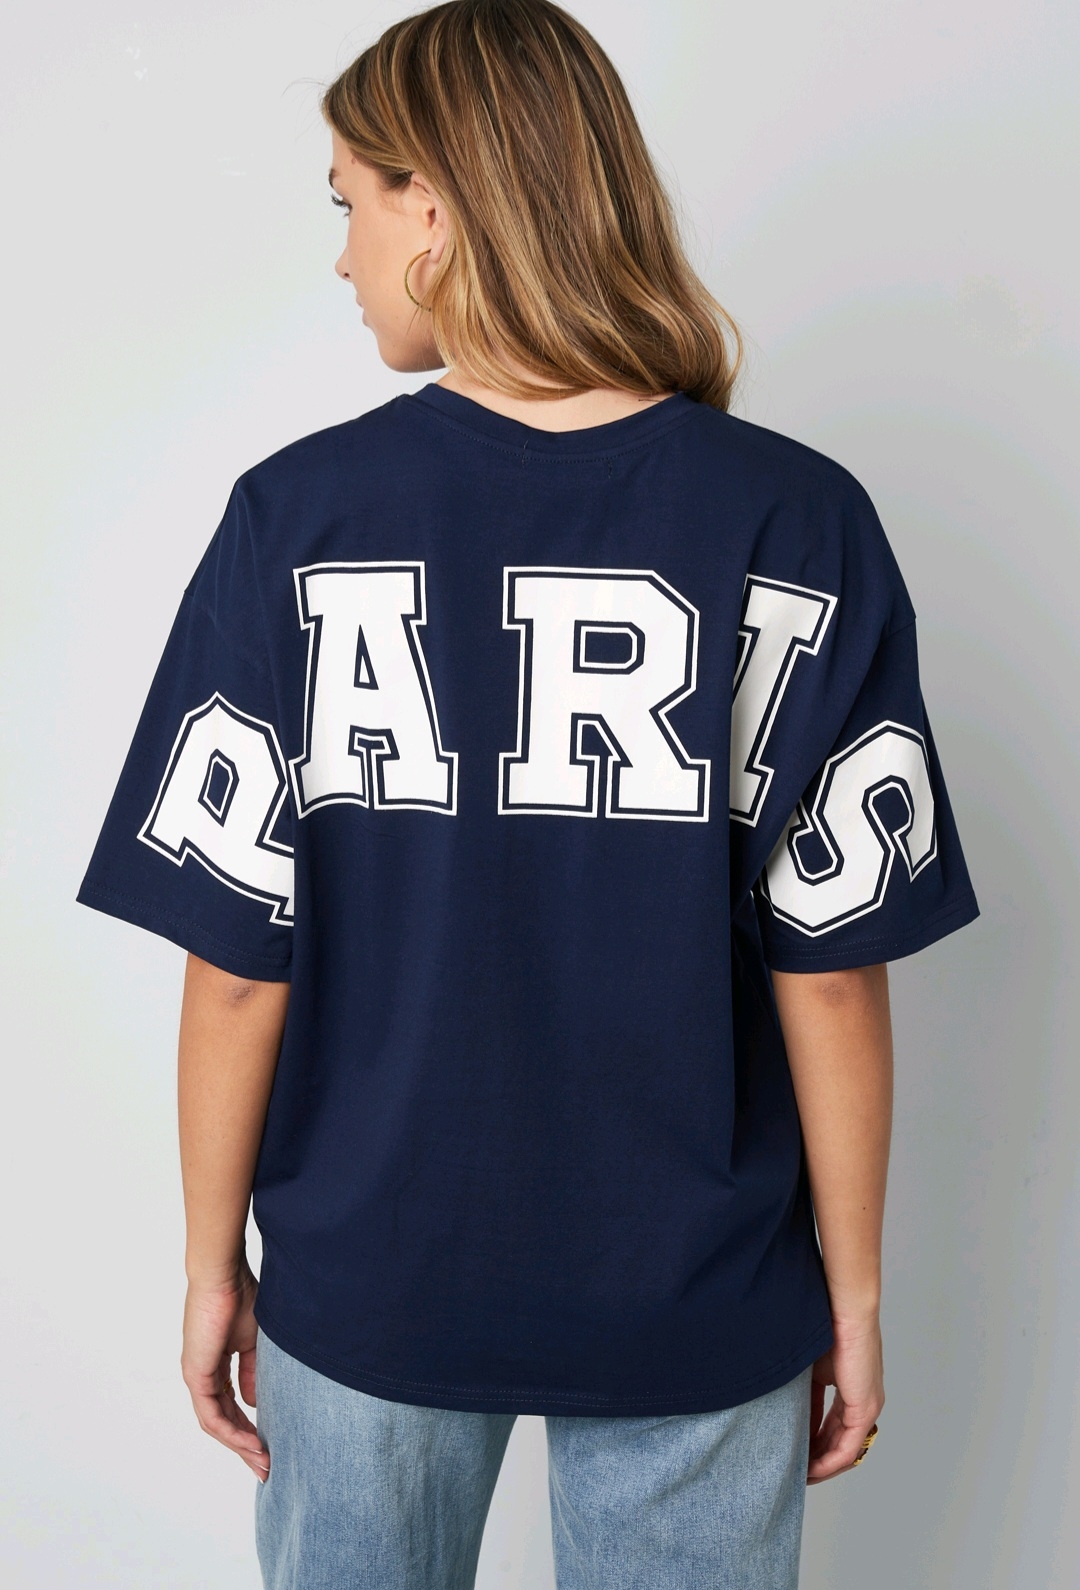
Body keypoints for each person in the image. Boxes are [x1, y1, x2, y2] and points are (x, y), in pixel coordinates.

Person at [76, 1, 980, 1585]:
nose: (342, 254)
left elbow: (236, 969)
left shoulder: (298, 519)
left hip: (369, 1275)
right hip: (699, 1290)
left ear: (434, 207)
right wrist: (853, 1292)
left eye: (351, 201)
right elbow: (832, 972)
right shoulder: (799, 520)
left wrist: (213, 1265)